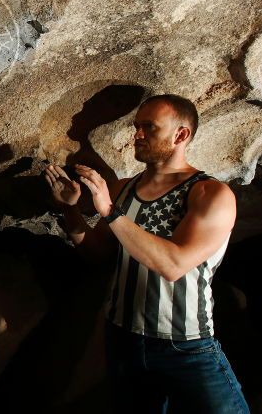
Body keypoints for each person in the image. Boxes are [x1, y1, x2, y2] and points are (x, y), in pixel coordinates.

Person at [44, 94, 249, 413]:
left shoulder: (210, 194)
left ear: (181, 135)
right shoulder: (125, 188)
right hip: (124, 340)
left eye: (149, 127)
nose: (137, 134)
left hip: (184, 345)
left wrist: (110, 213)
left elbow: (173, 264)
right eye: (137, 126)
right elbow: (99, 255)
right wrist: (70, 211)